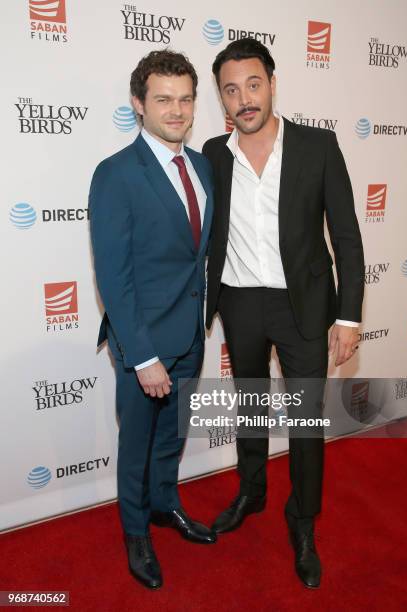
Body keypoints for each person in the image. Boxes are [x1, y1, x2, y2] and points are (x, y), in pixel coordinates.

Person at [203, 38, 365, 589]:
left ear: (272, 83)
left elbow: (346, 235)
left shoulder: (318, 146)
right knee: (248, 404)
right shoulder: (212, 155)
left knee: (305, 423)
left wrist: (348, 316)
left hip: (305, 306)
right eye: (231, 89)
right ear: (222, 101)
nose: (244, 98)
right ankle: (251, 491)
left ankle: (303, 521)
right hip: (240, 302)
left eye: (253, 84)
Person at [89, 50, 215, 590]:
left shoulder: (202, 165)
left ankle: (167, 506)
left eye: (186, 98)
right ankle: (136, 532)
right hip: (144, 344)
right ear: (139, 105)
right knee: (137, 444)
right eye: (163, 99)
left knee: (171, 438)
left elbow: (195, 255)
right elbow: (113, 277)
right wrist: (142, 356)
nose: (177, 109)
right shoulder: (116, 174)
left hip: (189, 333)